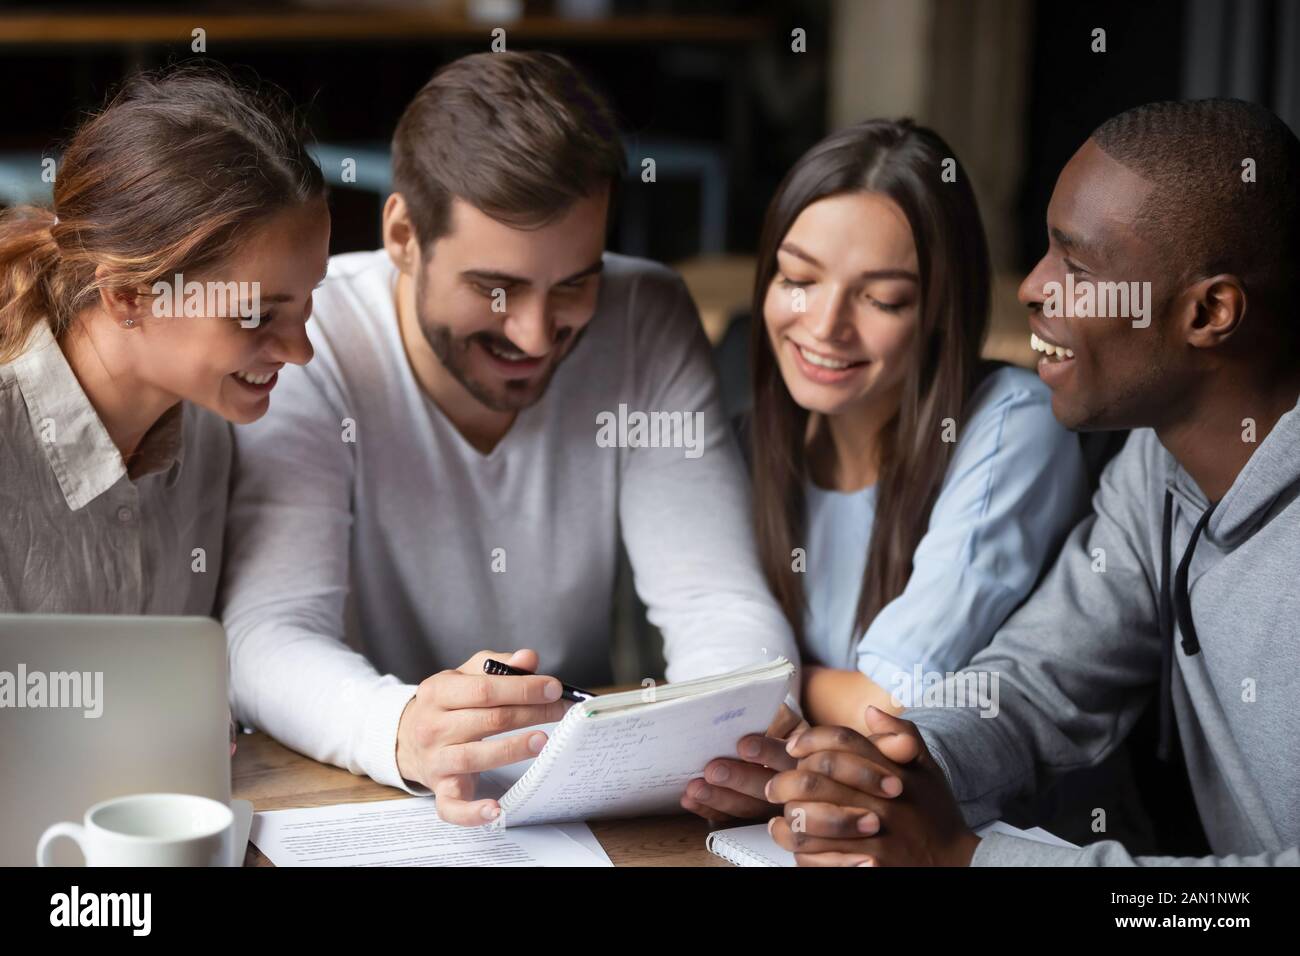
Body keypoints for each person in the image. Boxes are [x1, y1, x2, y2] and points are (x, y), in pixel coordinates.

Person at [217, 51, 798, 825]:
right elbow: (266, 635)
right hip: (360, 790)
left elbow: (715, 599)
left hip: (577, 787)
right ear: (403, 234)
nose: (534, 334)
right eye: (496, 288)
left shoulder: (643, 316)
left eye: (574, 285)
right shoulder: (313, 340)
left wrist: (733, 736)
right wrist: (403, 729)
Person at [766, 98, 1300, 866]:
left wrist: (966, 859)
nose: (1031, 288)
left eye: (1076, 268)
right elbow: (1039, 683)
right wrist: (895, 767)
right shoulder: (1157, 464)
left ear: (1209, 311)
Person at [680, 120, 1089, 825]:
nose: (825, 325)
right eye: (798, 279)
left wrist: (752, 691)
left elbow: (893, 709)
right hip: (794, 827)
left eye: (882, 299)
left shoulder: (1013, 424)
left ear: (939, 312)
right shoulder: (744, 444)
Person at [0, 63, 327, 615]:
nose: (302, 351)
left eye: (308, 299)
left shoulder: (213, 431)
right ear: (127, 295)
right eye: (255, 315)